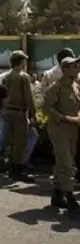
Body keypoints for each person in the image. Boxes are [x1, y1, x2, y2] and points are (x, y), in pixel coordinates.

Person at [42, 55, 80, 213]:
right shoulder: (56, 87)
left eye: (77, 67)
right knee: (66, 163)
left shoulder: (75, 86)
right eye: (73, 67)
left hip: (73, 129)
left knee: (63, 161)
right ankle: (70, 198)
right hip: (59, 129)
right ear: (64, 69)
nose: (77, 69)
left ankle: (57, 195)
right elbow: (46, 108)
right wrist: (65, 118)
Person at [0, 50, 36, 181]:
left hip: (7, 112)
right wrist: (33, 114)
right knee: (20, 143)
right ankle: (17, 171)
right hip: (19, 113)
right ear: (21, 62)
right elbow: (28, 98)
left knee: (11, 142)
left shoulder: (6, 76)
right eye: (24, 61)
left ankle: (10, 168)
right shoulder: (23, 77)